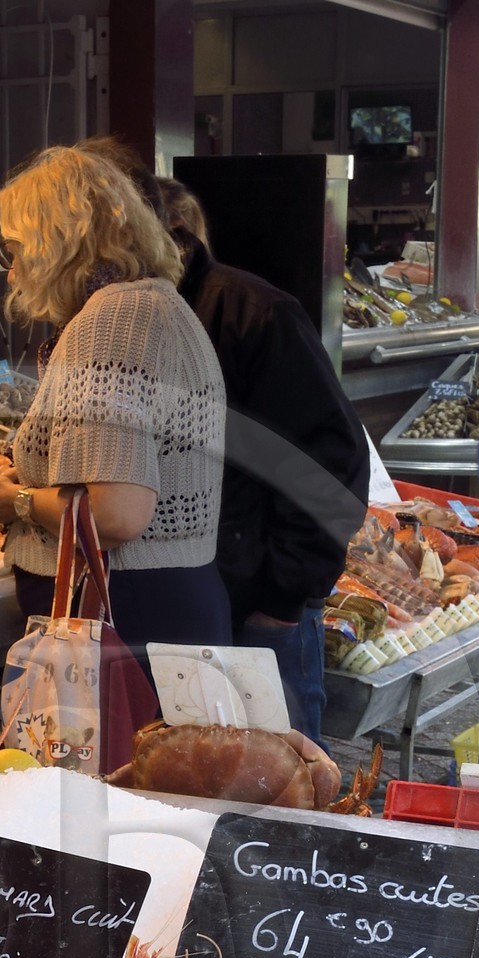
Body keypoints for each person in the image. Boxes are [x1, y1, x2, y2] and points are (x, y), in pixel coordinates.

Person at [0, 145, 231, 661]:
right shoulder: (153, 300)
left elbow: (115, 516)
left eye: (14, 249)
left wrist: (12, 500)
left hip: (126, 618)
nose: (11, 269)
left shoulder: (113, 319)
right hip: (163, 609)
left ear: (56, 242)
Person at [156, 173, 370, 740]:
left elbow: (332, 464)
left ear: (169, 235)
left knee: (282, 789)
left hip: (260, 609)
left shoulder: (255, 311)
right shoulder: (139, 319)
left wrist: (281, 598)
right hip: (189, 604)